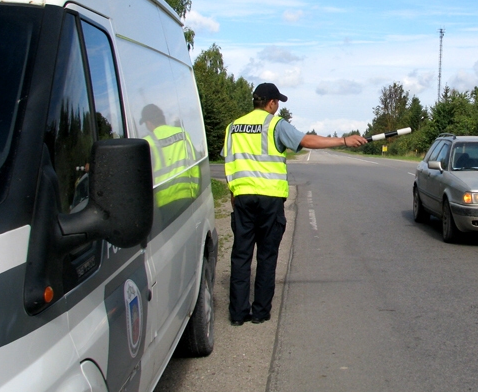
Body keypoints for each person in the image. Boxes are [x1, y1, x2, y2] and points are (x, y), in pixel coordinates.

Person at [223, 82, 367, 326]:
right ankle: (260, 313)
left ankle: (237, 315)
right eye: (277, 103)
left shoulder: (233, 127)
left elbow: (230, 162)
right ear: (271, 103)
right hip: (269, 199)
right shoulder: (274, 124)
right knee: (267, 257)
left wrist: (233, 195)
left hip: (242, 198)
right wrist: (343, 140)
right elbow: (307, 140)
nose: (277, 107)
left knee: (240, 256)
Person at [140, 104, 200, 226]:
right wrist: (194, 192)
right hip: (187, 195)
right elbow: (194, 166)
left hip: (165, 202)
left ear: (149, 123)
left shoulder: (148, 142)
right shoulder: (182, 134)